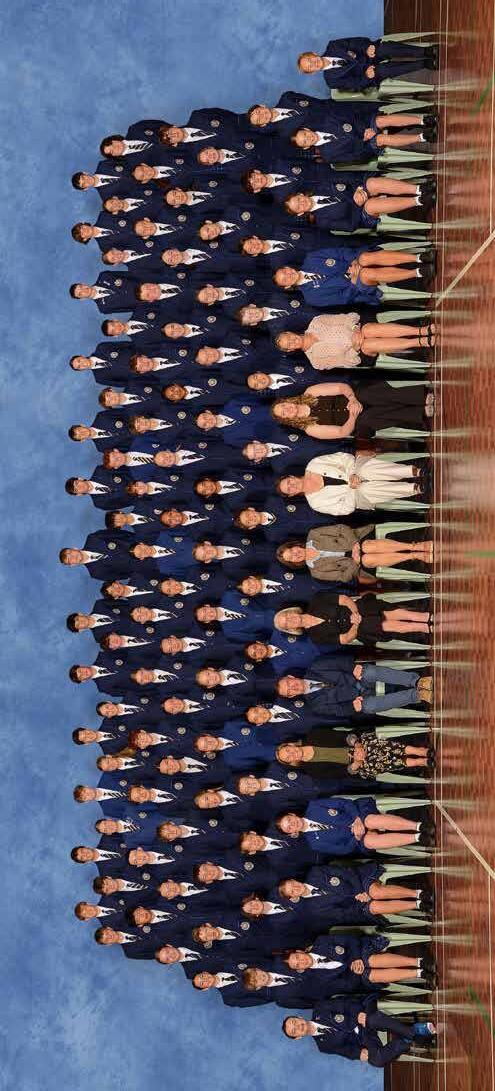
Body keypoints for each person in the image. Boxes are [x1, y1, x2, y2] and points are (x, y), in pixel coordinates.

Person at [273, 245, 434, 309]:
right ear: (288, 286)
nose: (288, 275)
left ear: (288, 267)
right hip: (357, 289)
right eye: (285, 279)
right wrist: (353, 281)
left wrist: (354, 261)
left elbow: (340, 252)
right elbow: (344, 299)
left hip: (355, 263)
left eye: (285, 272)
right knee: (366, 274)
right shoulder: (311, 297)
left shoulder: (311, 258)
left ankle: (418, 258)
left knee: (364, 258)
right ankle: (418, 272)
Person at [283, 1000, 436, 1066]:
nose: (297, 1026)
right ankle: (408, 1038)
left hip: (363, 1016)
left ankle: (416, 1034)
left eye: (294, 1022)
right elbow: (346, 1051)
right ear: (298, 1037)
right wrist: (358, 1054)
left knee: (373, 1019)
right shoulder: (323, 1046)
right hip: (365, 1038)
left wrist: (359, 1014)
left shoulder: (320, 1009)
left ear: (299, 1017)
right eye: (294, 1030)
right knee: (376, 1061)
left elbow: (347, 1005)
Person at [277, 450, 428, 515]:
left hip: (356, 468)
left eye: (289, 482)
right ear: (292, 495)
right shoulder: (315, 503)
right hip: (357, 497)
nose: (292, 485)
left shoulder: (314, 464)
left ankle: (415, 471)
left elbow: (343, 457)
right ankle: (415, 488)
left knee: (366, 470)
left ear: (292, 476)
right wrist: (352, 488)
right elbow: (344, 510)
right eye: (289, 489)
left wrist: (352, 474)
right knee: (365, 490)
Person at [271, 381, 432, 441]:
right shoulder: (310, 429)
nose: (287, 409)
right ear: (287, 420)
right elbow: (342, 432)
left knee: (369, 394)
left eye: (284, 406)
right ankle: (419, 413)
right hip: (354, 423)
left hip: (354, 397)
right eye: (284, 413)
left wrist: (352, 399)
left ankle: (420, 397)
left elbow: (341, 387)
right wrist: (353, 416)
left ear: (287, 400)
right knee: (368, 418)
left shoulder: (311, 392)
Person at [276, 795, 434, 853]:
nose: (292, 824)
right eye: (289, 828)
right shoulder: (314, 844)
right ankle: (418, 838)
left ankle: (418, 826)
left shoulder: (314, 806)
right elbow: (343, 849)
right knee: (370, 842)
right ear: (293, 833)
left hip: (358, 812)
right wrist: (357, 837)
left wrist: (357, 818)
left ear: (292, 814)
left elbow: (343, 803)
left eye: (289, 820)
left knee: (370, 821)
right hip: (357, 839)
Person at [276, 524, 433, 582]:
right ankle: (413, 555)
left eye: (292, 551)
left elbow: (341, 528)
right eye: (292, 558)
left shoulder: (314, 534)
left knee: (367, 546)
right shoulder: (316, 572)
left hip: (358, 538)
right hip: (358, 565)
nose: (296, 554)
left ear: (295, 545)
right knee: (367, 559)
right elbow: (343, 577)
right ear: (295, 563)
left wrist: (354, 544)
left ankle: (415, 547)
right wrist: (356, 562)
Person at [276, 314, 436, 370]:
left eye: (289, 338)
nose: (292, 341)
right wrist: (354, 347)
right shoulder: (316, 361)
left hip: (358, 329)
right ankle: (419, 342)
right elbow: (346, 362)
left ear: (290, 332)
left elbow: (346, 317)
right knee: (367, 344)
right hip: (359, 353)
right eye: (288, 345)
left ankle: (420, 331)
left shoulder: (316, 322)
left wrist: (354, 329)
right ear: (290, 350)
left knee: (368, 330)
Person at [274, 594, 431, 646]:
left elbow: (343, 599)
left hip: (357, 608)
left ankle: (424, 617)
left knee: (386, 612)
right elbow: (344, 639)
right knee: (377, 624)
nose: (290, 620)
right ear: (291, 630)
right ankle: (422, 627)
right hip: (358, 630)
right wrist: (355, 624)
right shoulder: (316, 637)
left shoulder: (316, 601)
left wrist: (355, 613)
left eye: (287, 616)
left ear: (291, 611)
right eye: (286, 624)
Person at [297, 37, 438, 90]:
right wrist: (366, 75)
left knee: (383, 49)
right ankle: (424, 64)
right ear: (313, 72)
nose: (313, 63)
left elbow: (355, 42)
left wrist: (366, 48)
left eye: (310, 59)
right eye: (310, 67)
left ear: (314, 53)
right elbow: (355, 84)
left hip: (367, 54)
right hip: (368, 74)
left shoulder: (333, 46)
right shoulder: (331, 81)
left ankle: (425, 51)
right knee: (381, 71)